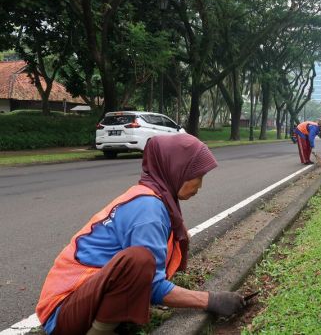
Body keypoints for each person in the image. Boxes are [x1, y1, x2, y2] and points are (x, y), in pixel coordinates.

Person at [36, 134, 245, 335]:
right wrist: (212, 300)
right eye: (197, 175)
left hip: (80, 299)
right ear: (176, 169)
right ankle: (100, 332)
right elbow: (153, 284)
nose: (199, 185)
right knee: (139, 260)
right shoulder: (149, 209)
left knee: (148, 256)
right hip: (63, 311)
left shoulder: (150, 196)